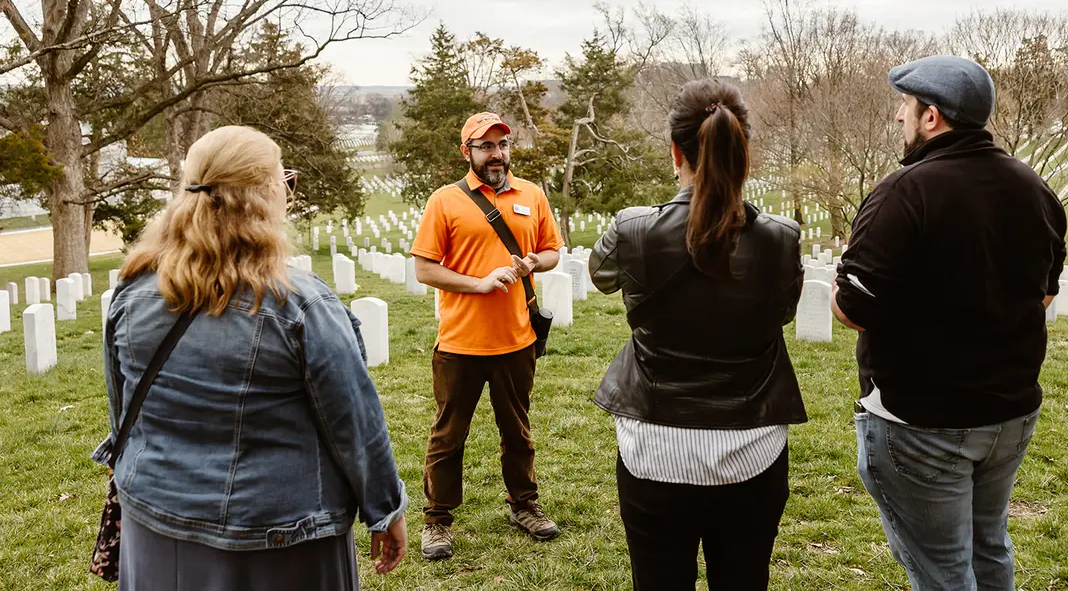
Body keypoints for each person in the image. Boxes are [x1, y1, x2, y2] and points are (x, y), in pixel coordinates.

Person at [96, 125, 408, 591]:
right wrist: (385, 509)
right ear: (263, 198)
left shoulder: (134, 290)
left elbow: (122, 412)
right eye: (285, 184)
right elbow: (355, 426)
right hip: (279, 534)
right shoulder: (301, 306)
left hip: (156, 517)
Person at [833, 55, 1067, 591]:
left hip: (922, 423)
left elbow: (853, 309)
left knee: (943, 573)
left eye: (905, 106)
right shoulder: (1034, 188)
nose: (898, 116)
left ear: (931, 117)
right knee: (989, 550)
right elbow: (1045, 294)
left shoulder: (903, 192)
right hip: (1010, 415)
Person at [589, 78, 808, 591]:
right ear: (743, 151)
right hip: (750, 444)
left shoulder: (634, 229)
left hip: (655, 443)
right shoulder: (781, 240)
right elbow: (783, 313)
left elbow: (601, 278)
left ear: (675, 151)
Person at [411, 112, 564, 561]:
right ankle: (437, 520)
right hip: (460, 344)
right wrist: (478, 283)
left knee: (517, 430)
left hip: (517, 340)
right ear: (468, 152)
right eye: (486, 146)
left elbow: (553, 251)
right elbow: (424, 268)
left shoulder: (531, 195)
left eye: (503, 145)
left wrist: (534, 263)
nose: (497, 154)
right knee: (448, 435)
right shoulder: (445, 201)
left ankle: (524, 505)